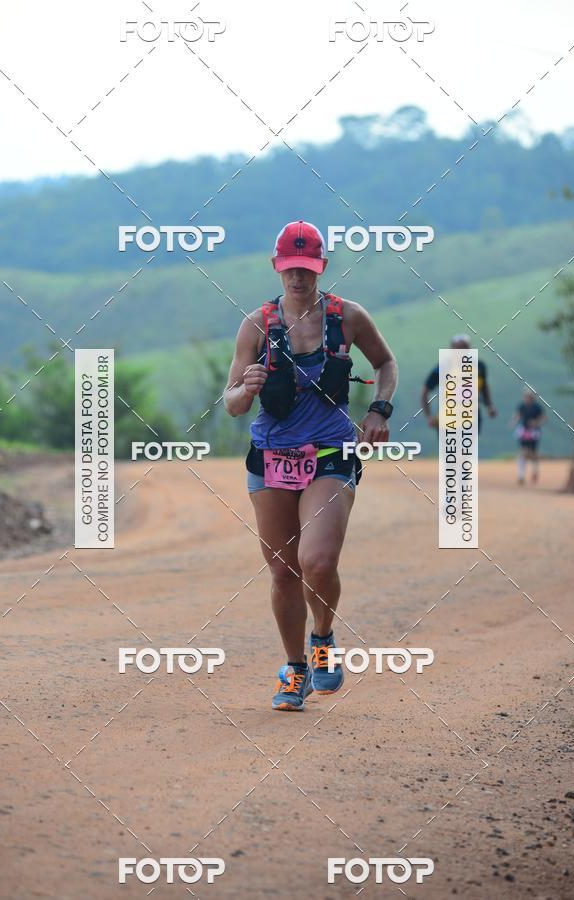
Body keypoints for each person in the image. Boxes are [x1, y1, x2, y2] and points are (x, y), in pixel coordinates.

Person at [224, 221, 398, 711]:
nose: (298, 278)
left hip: (331, 451)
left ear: (320, 267)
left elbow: (387, 364)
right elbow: (232, 403)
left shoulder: (348, 317)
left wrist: (378, 410)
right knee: (282, 572)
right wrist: (248, 386)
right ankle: (294, 669)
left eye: (307, 269)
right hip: (272, 455)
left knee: (317, 561)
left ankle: (323, 638)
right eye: (289, 269)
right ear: (276, 268)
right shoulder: (257, 325)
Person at [420, 334, 497, 432]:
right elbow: (424, 392)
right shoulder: (443, 367)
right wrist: (429, 416)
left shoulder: (479, 366)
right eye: (458, 348)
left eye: (465, 347)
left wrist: (489, 405)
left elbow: (484, 388)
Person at [509, 390, 546, 485]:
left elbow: (543, 418)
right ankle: (520, 475)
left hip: (534, 431)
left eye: (529, 396)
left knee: (533, 453)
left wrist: (536, 423)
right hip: (524, 430)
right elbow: (518, 415)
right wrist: (513, 422)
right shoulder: (522, 406)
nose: (527, 398)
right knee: (522, 452)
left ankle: (535, 471)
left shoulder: (537, 407)